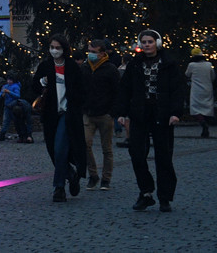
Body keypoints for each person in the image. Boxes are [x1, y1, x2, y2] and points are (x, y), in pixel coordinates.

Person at [115, 29, 185, 212]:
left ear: (157, 43)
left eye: (150, 42)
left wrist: (176, 112)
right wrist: (121, 112)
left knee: (163, 157)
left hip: (162, 114)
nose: (147, 45)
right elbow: (125, 90)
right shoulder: (134, 65)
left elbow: (178, 89)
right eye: (144, 42)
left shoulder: (169, 64)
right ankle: (145, 192)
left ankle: (164, 197)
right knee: (136, 154)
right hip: (140, 113)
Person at [32, 34, 87, 203]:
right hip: (50, 115)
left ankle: (59, 187)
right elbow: (33, 87)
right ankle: (70, 173)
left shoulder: (72, 67)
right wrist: (41, 82)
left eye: (58, 47)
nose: (54, 50)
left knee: (60, 148)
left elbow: (80, 91)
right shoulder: (45, 66)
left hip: (67, 114)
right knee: (53, 150)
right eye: (52, 47)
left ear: (64, 49)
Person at [82, 39, 118, 190]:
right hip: (88, 113)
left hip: (105, 114)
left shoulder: (110, 69)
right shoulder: (84, 68)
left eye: (93, 52)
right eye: (89, 51)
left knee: (107, 148)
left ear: (102, 53)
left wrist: (112, 112)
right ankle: (93, 175)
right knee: (85, 144)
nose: (90, 54)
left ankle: (106, 179)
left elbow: (117, 92)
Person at [184, 47, 215, 138]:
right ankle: (206, 123)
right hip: (207, 89)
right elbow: (213, 77)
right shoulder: (209, 65)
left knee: (195, 109)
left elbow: (187, 74)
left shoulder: (192, 65)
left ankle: (202, 122)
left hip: (196, 90)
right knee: (207, 108)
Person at [0, 73, 31, 143]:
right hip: (7, 106)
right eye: (8, 80)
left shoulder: (16, 86)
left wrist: (9, 92)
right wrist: (2, 95)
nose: (9, 82)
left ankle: (22, 135)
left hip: (14, 106)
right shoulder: (5, 86)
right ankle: (2, 134)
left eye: (10, 80)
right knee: (5, 121)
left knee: (17, 121)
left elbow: (17, 96)